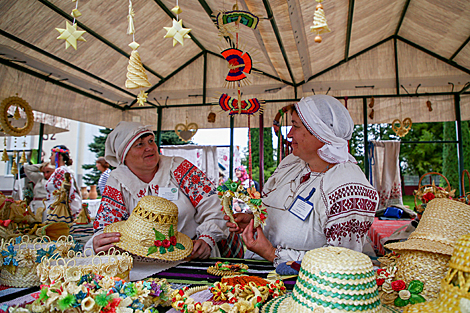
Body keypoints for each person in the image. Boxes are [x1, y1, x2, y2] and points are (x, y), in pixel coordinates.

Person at [226, 95, 379, 267]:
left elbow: (342, 262)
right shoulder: (291, 163)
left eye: (295, 126)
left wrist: (272, 253)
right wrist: (256, 220)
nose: (289, 134)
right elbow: (277, 212)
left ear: (321, 133)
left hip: (308, 289)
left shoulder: (348, 187)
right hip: (260, 278)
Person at [88, 121, 228, 260]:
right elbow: (106, 228)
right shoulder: (117, 181)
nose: (149, 148)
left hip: (193, 257)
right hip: (142, 265)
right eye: (139, 144)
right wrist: (100, 243)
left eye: (151, 141)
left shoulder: (179, 168)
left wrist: (207, 239)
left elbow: (215, 207)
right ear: (123, 155)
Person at [45, 145, 82, 216]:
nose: (50, 158)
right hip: (57, 209)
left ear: (59, 157)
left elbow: (63, 194)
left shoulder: (61, 171)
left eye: (52, 155)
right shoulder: (62, 170)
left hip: (59, 211)